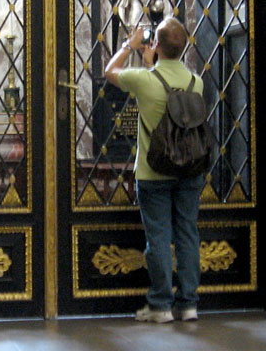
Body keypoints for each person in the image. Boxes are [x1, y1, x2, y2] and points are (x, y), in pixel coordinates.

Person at [104, 17, 204, 323]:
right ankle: (188, 304)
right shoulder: (196, 82)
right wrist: (154, 61)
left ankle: (160, 305)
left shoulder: (144, 80)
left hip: (153, 171)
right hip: (190, 170)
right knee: (187, 234)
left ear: (156, 44)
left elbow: (110, 71)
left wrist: (129, 45)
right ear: (184, 47)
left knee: (158, 237)